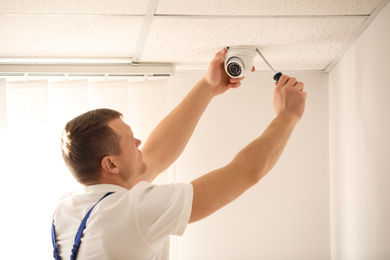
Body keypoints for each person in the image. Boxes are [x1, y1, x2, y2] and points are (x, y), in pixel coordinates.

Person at [51, 48, 307, 260]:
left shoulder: (65, 210)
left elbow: (154, 156)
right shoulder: (135, 210)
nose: (139, 142)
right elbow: (244, 173)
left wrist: (209, 86)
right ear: (110, 164)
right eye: (130, 141)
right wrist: (288, 116)